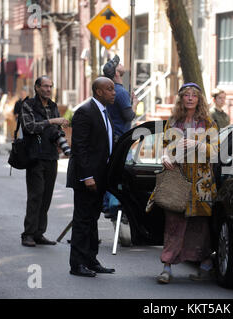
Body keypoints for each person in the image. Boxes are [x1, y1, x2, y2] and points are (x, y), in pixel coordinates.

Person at [146, 82, 219, 284]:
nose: (189, 98)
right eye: (186, 95)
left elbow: (216, 152)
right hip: (177, 179)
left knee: (199, 225)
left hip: (201, 182)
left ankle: (205, 265)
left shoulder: (208, 123)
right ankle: (167, 267)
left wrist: (198, 143)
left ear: (199, 99)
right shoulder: (173, 122)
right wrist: (164, 157)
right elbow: (164, 147)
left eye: (193, 95)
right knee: (173, 222)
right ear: (181, 99)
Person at [67, 77, 116, 277]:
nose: (114, 92)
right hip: (86, 179)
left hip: (100, 177)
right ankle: (77, 264)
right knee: (82, 221)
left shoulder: (104, 112)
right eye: (110, 89)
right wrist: (87, 176)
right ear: (98, 92)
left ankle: (90, 260)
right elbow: (80, 148)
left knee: (92, 220)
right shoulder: (84, 112)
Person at [19, 76, 69, 247]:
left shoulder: (53, 106)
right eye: (45, 86)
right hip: (34, 157)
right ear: (37, 87)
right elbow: (30, 127)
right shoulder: (28, 105)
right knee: (35, 196)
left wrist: (61, 140)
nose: (48, 89)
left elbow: (55, 130)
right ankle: (28, 234)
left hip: (51, 157)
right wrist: (52, 121)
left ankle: (39, 233)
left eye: (51, 86)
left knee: (46, 197)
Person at [102, 56, 138, 240]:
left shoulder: (110, 91)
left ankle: (110, 205)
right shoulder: (120, 92)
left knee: (112, 174)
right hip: (121, 141)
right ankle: (116, 207)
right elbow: (128, 115)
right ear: (116, 73)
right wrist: (135, 105)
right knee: (121, 176)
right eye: (118, 64)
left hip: (112, 140)